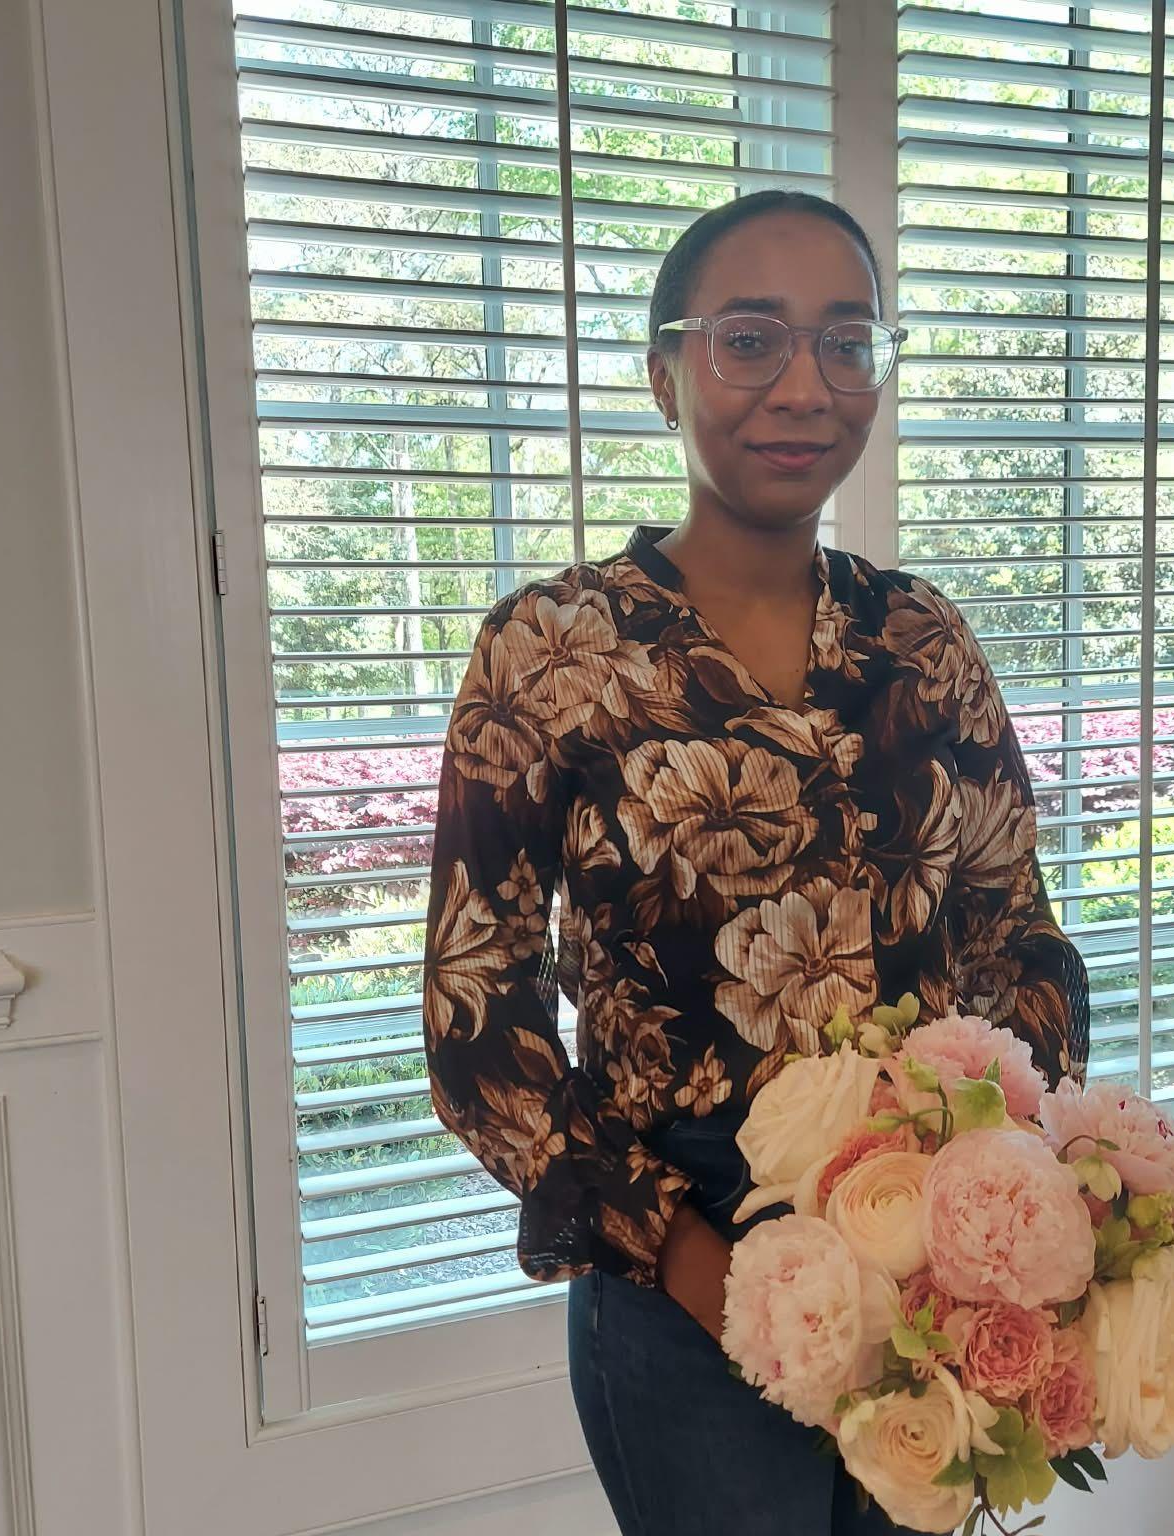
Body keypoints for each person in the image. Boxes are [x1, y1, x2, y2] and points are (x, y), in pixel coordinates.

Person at [422, 190, 1090, 1535]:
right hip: (686, 1261)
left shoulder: (923, 640)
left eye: (850, 342)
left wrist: (993, 1196)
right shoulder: (551, 652)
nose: (804, 385)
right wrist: (701, 1266)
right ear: (664, 372)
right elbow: (477, 1013)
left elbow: (1018, 932)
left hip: (928, 1237)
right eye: (749, 339)